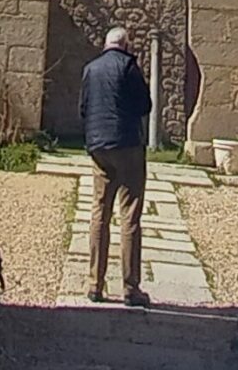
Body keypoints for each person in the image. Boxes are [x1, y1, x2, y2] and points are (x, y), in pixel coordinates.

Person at [80, 25, 154, 306]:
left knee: (99, 211)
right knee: (130, 214)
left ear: (105, 44)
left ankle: (94, 284)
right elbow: (144, 105)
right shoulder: (128, 67)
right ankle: (130, 287)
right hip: (127, 146)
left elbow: (83, 108)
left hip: (99, 146)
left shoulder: (90, 69)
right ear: (125, 45)